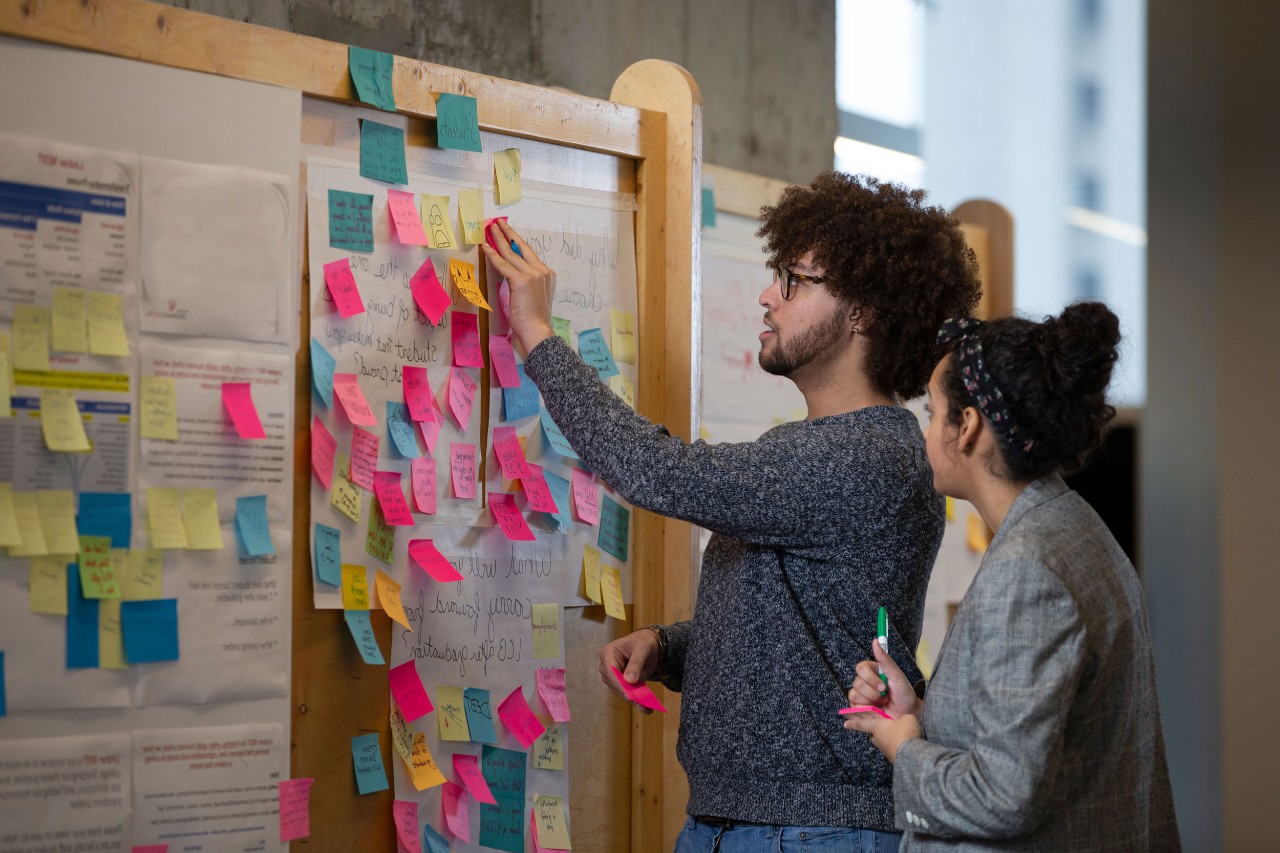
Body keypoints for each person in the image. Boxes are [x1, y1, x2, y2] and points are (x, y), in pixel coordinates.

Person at [484, 172, 981, 852]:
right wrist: (671, 647)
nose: (768, 295)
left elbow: (657, 471)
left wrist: (537, 333)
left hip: (807, 833)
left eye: (795, 280)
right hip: (759, 824)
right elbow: (806, 636)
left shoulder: (862, 456)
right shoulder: (819, 449)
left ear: (862, 309)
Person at [843, 304, 1180, 851]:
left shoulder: (1028, 570)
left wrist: (904, 746)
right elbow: (1034, 736)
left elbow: (1003, 796)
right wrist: (920, 716)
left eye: (933, 412)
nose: (926, 430)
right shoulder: (1071, 523)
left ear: (968, 427)